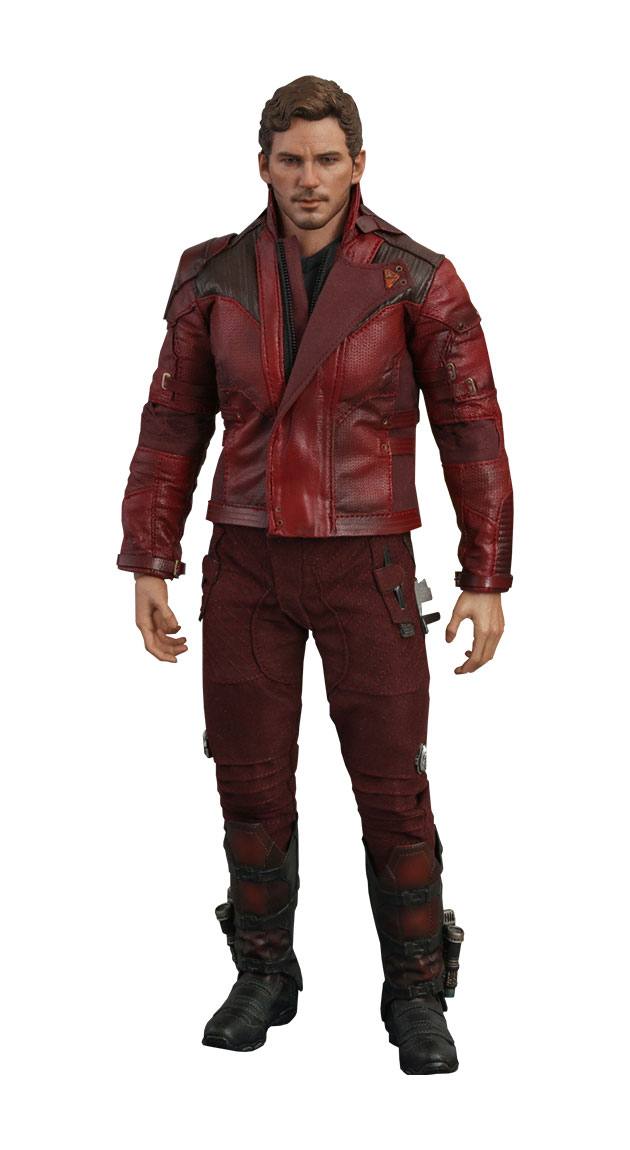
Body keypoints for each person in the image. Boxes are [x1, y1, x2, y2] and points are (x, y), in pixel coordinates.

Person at [117, 74, 513, 1075]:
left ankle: (416, 990)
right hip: (245, 564)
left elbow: (471, 428)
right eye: (290, 160)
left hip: (367, 564)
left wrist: (486, 572)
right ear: (263, 165)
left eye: (327, 159)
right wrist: (150, 557)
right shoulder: (212, 276)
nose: (309, 178)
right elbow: (172, 425)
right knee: (248, 783)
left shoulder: (416, 279)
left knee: (393, 789)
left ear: (358, 164)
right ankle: (264, 974)